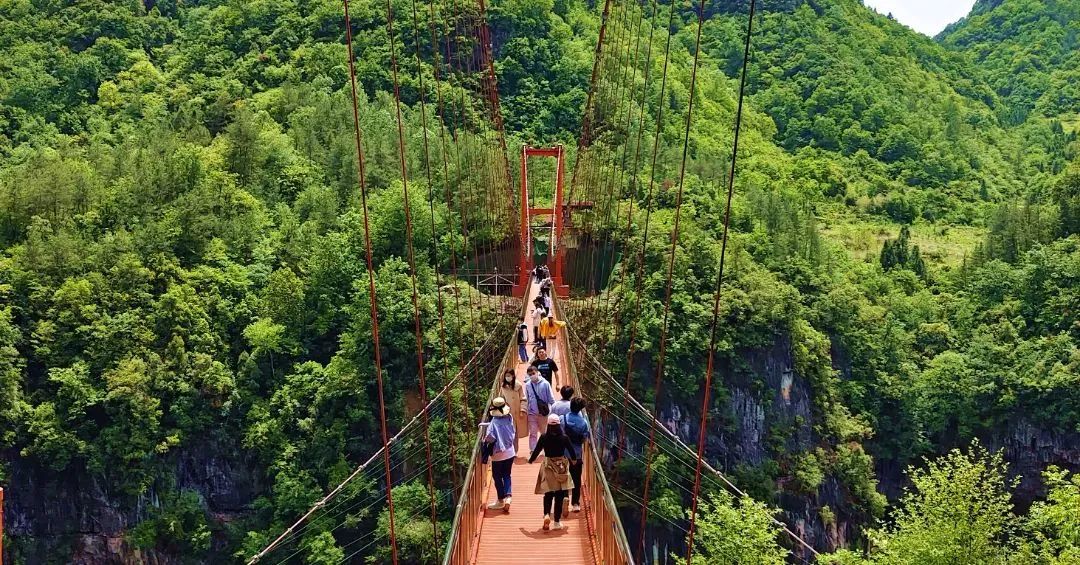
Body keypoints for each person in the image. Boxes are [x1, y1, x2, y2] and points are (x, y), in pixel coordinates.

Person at [529, 413, 577, 531]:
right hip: (560, 466)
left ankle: (546, 514)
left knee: (548, 493)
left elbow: (537, 450)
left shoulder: (544, 437)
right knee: (559, 495)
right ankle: (556, 522)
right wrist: (574, 461)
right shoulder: (564, 437)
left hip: (548, 466)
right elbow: (572, 451)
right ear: (559, 425)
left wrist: (531, 460)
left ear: (548, 425)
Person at [483, 397, 517, 512]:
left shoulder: (493, 424)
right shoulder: (509, 417)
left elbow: (490, 437)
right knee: (507, 474)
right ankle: (508, 497)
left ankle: (500, 500)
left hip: (498, 455)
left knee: (497, 477)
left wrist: (484, 440)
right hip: (510, 451)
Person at [560, 397, 591, 512]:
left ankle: (565, 497)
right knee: (576, 479)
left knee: (563, 478)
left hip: (563, 454)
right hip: (576, 455)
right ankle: (575, 503)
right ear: (580, 409)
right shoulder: (583, 423)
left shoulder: (562, 419)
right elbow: (584, 439)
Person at [524, 366, 554, 451]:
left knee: (544, 433)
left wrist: (553, 411)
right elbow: (527, 398)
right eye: (530, 374)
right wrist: (526, 410)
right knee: (533, 433)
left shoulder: (545, 383)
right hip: (532, 413)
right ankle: (533, 450)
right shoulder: (528, 385)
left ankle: (546, 449)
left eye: (533, 373)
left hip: (543, 414)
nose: (532, 376)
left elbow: (550, 398)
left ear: (537, 372)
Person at [499, 368, 528, 442]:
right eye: (506, 376)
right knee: (510, 433)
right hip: (508, 413)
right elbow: (502, 399)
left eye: (509, 375)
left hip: (518, 413)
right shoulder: (503, 387)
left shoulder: (518, 386)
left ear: (512, 375)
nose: (507, 377)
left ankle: (514, 452)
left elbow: (523, 399)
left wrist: (522, 410)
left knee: (516, 434)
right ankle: (512, 452)